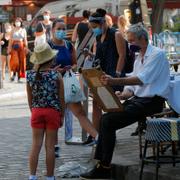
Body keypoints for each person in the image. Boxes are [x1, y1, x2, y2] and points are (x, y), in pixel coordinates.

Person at [80, 24, 170, 179]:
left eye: (132, 41)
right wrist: (123, 94)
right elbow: (132, 88)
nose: (130, 45)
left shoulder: (157, 54)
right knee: (106, 119)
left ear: (142, 38)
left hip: (152, 102)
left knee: (109, 121)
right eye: (128, 41)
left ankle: (104, 167)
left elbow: (141, 80)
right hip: (139, 99)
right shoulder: (138, 57)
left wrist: (114, 81)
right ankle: (102, 164)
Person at [48, 18, 98, 154]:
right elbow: (39, 68)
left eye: (63, 29)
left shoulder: (68, 45)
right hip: (52, 85)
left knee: (80, 112)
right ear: (52, 30)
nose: (61, 31)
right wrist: (53, 71)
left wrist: (72, 67)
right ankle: (54, 146)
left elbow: (76, 63)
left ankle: (98, 138)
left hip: (68, 83)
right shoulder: (47, 46)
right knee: (55, 116)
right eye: (58, 28)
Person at [83, 8, 126, 145]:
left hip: (113, 75)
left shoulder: (116, 34)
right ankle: (97, 136)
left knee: (110, 106)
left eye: (95, 27)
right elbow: (99, 57)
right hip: (101, 74)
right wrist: (90, 55)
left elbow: (122, 55)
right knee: (96, 104)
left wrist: (117, 75)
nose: (93, 30)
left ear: (102, 23)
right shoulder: (98, 37)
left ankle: (109, 136)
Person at [26, 42, 65, 180]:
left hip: (37, 111)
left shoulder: (29, 76)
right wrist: (62, 115)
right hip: (53, 112)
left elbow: (30, 99)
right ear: (51, 59)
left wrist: (34, 111)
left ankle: (32, 176)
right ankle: (50, 177)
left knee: (35, 145)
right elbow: (61, 99)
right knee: (50, 147)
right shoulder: (56, 76)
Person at [8, 17, 27, 82]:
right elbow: (10, 40)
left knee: (21, 61)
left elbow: (25, 40)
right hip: (14, 47)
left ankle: (19, 77)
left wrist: (26, 47)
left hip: (21, 46)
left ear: (21, 22)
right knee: (15, 62)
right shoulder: (12, 30)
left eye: (18, 21)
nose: (17, 22)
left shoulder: (23, 30)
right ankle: (13, 75)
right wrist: (9, 48)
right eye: (16, 21)